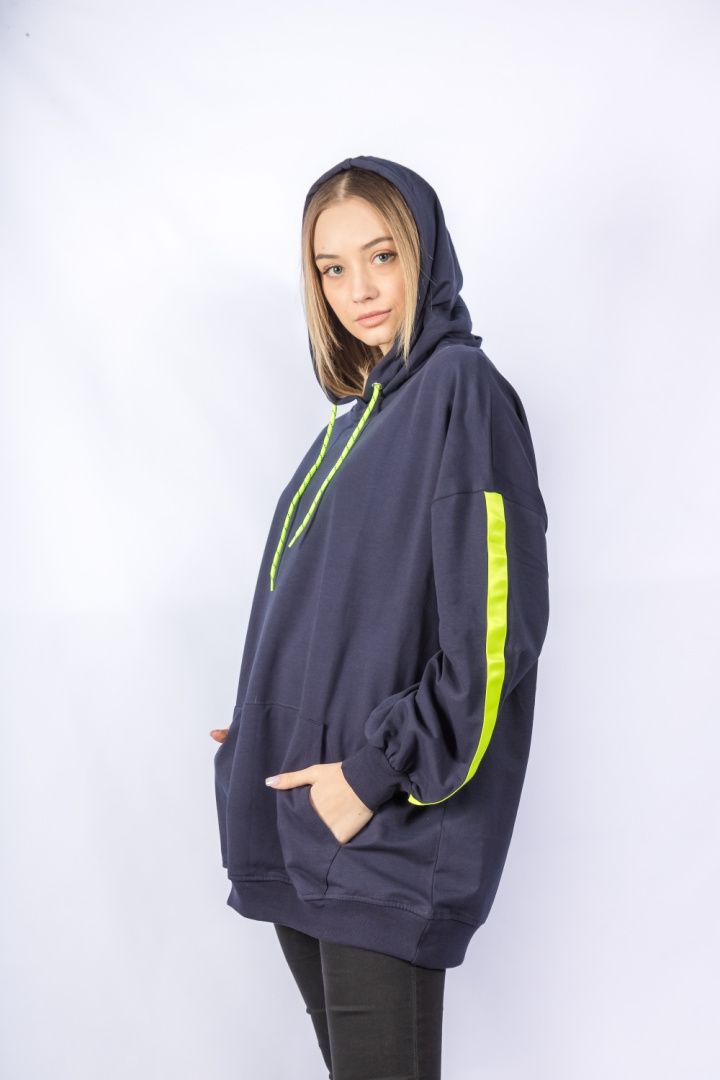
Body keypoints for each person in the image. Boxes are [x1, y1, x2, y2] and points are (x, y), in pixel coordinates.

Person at [210, 156, 550, 1080]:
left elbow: (493, 638)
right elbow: (343, 613)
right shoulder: (354, 422)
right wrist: (270, 717)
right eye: (332, 268)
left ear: (424, 253)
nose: (358, 289)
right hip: (301, 817)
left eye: (382, 256)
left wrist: (369, 775)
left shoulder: (461, 391)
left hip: (383, 829)